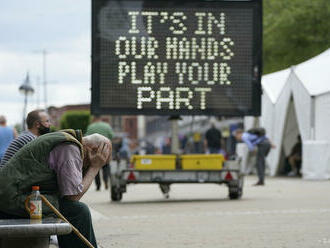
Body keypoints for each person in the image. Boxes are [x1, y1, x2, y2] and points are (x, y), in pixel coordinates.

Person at [0, 129, 111, 248]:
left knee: (72, 208)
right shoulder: (69, 148)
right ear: (93, 150)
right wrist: (95, 167)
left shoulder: (68, 141)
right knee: (77, 211)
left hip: (13, 195)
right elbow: (73, 196)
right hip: (12, 198)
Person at [86, 115, 114, 190]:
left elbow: (87, 138)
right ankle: (106, 182)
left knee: (96, 167)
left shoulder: (91, 127)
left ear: (94, 118)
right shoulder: (107, 126)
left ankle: (98, 186)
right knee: (106, 167)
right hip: (106, 149)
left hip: (95, 150)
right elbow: (111, 136)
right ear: (100, 118)